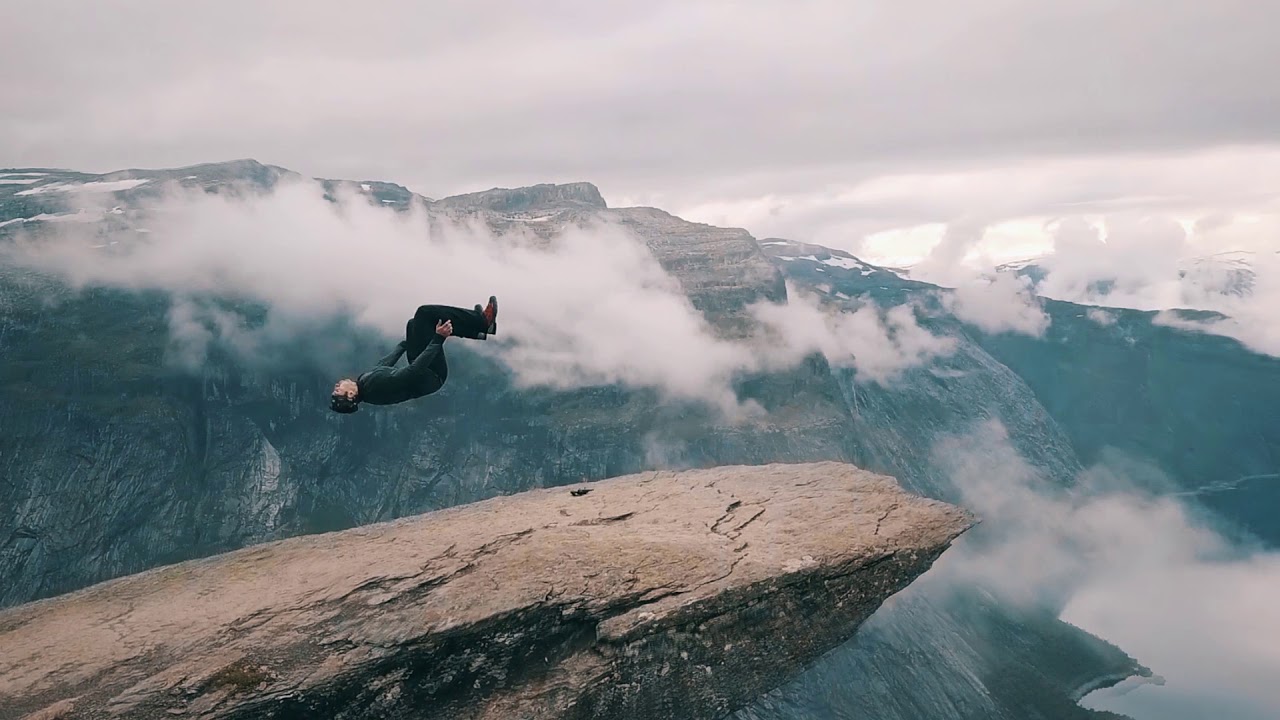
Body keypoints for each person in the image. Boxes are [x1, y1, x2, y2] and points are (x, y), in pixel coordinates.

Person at [330, 296, 497, 413]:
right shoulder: (375, 388)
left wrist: (404, 344)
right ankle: (481, 322)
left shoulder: (365, 385)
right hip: (432, 373)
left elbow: (382, 366)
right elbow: (412, 371)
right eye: (338, 390)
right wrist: (438, 338)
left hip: (422, 370)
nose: (336, 386)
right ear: (351, 394)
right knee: (424, 313)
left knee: (414, 324)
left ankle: (476, 331)